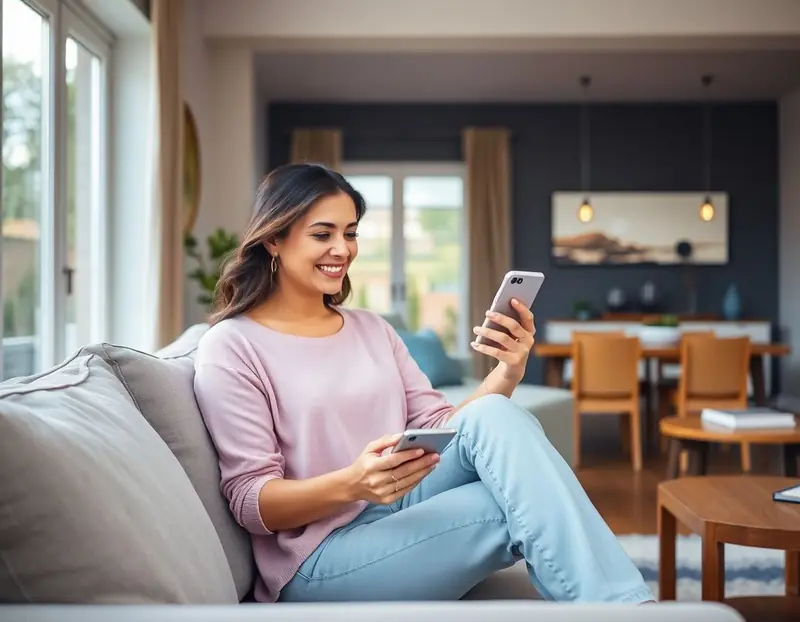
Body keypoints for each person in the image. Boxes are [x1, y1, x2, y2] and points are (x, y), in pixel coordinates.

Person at [192, 163, 654, 605]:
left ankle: (622, 609)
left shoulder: (371, 328)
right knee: (523, 501)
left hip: (398, 504)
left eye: (350, 233)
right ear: (274, 238)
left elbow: (446, 425)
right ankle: (617, 610)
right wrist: (353, 484)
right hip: (317, 556)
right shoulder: (232, 346)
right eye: (322, 234)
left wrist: (508, 372)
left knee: (499, 422)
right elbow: (252, 501)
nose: (342, 249)